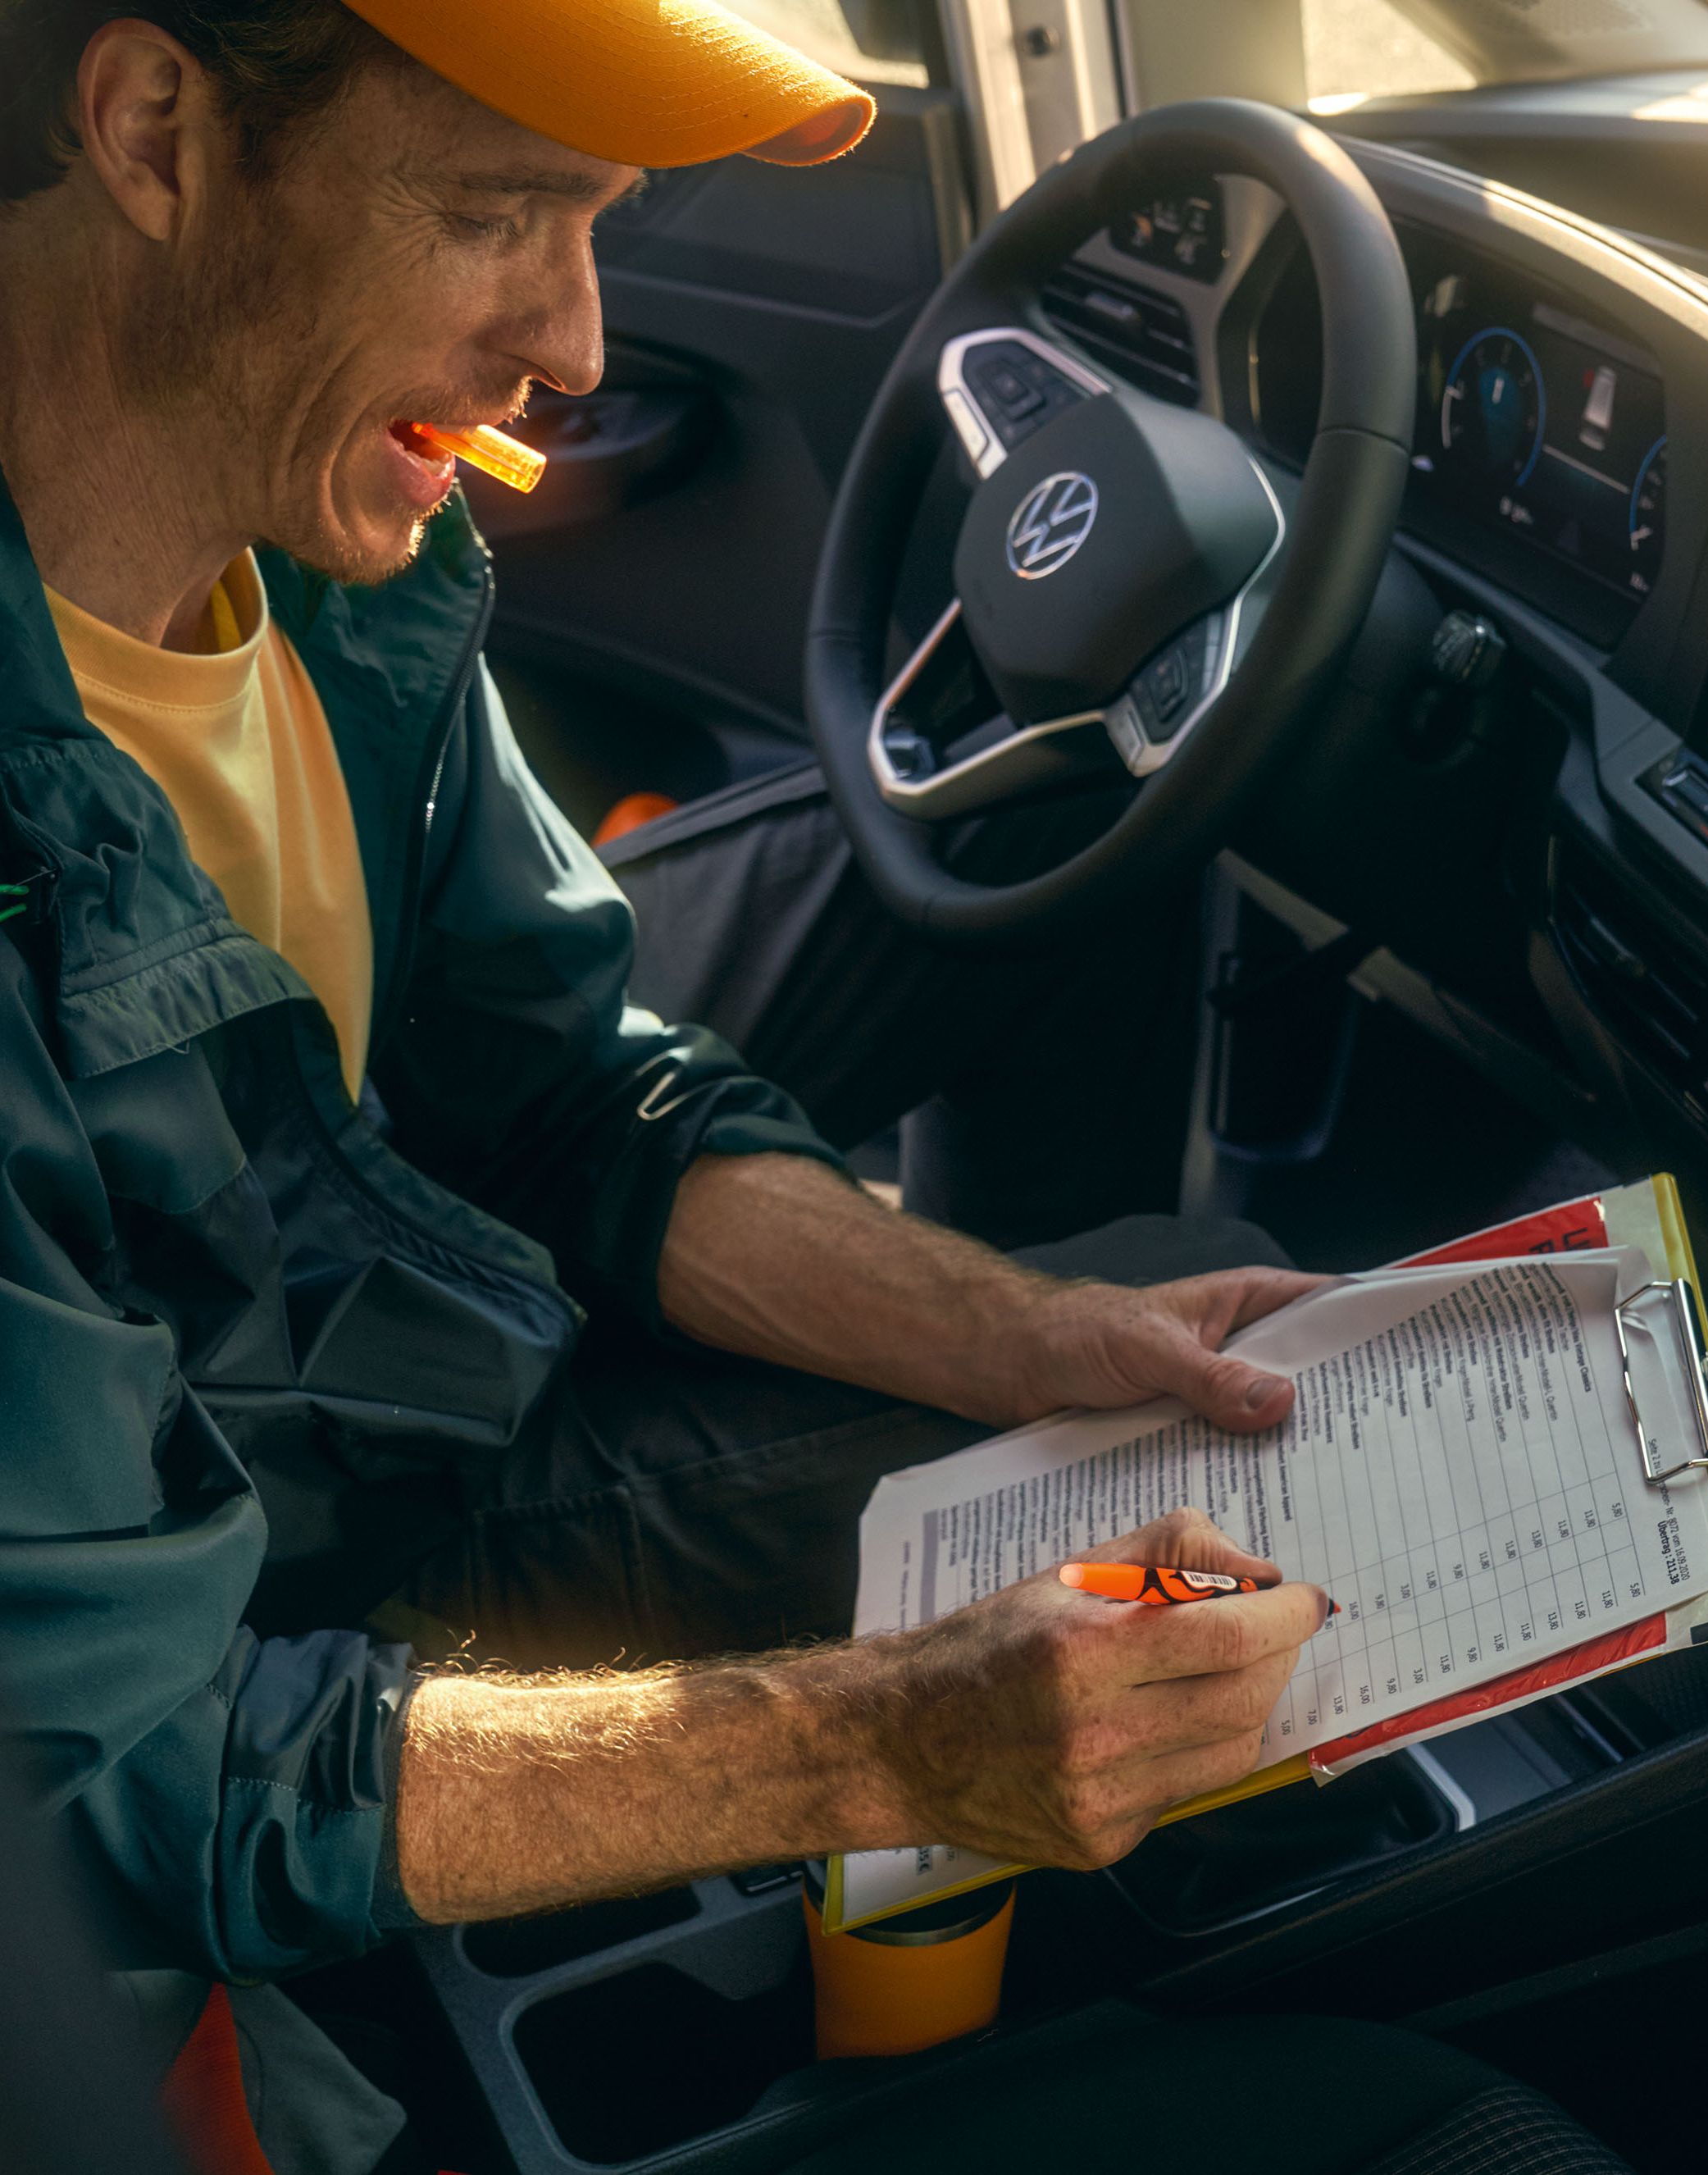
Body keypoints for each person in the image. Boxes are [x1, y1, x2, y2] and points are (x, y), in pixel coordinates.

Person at [0, 0, 1332, 2093]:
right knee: (1203, 1489)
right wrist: (882, 1737)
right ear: (157, 131)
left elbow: (557, 1076)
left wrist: (1013, 1340)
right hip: (286, 1538)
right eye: (499, 212)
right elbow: (110, 1786)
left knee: (1085, 1213)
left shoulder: (346, 542)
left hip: (379, 1245)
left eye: (604, 223)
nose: (581, 347)